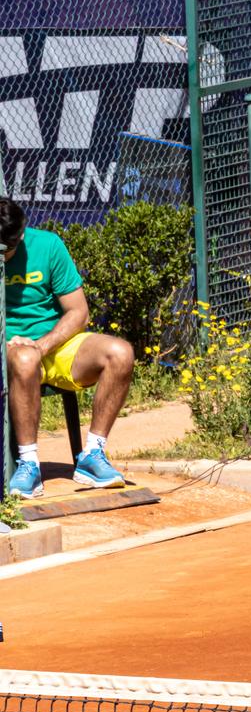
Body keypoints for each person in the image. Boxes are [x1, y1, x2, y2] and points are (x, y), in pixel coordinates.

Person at [2, 199, 136, 498]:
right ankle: (28, 465)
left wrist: (41, 345)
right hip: (11, 353)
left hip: (53, 346)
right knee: (24, 359)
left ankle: (92, 456)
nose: (4, 255)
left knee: (120, 352)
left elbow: (78, 312)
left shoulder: (48, 245)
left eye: (7, 249)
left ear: (20, 235)